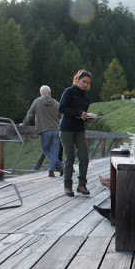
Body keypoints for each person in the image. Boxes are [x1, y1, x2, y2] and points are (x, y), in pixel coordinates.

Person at [59, 69, 94, 197]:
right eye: (83, 81)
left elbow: (83, 114)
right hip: (67, 129)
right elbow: (62, 108)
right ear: (77, 80)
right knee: (69, 157)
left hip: (80, 129)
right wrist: (79, 113)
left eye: (88, 83)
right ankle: (67, 186)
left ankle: (81, 184)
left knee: (84, 157)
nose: (85, 85)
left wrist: (88, 118)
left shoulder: (86, 97)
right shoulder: (69, 91)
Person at [21, 85, 61, 177]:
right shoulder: (56, 104)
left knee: (45, 149)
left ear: (41, 93)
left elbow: (30, 114)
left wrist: (24, 124)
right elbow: (61, 116)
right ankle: (52, 170)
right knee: (55, 151)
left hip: (44, 130)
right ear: (49, 93)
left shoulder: (37, 102)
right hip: (56, 130)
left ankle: (58, 165)